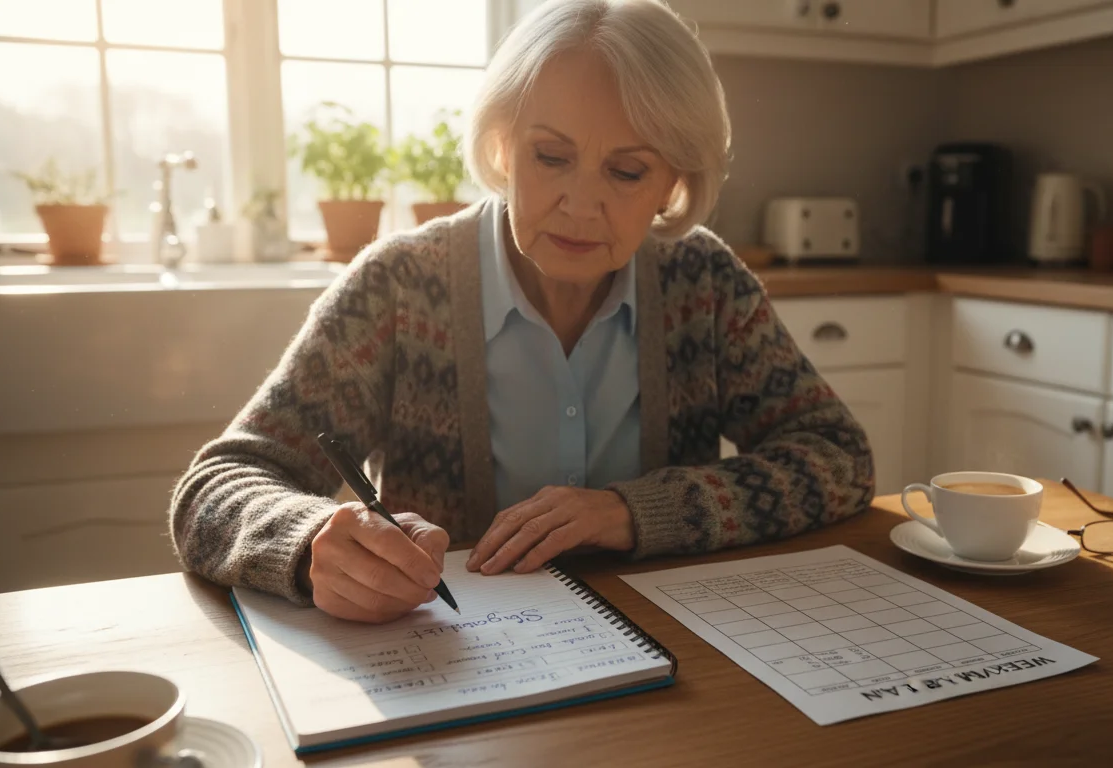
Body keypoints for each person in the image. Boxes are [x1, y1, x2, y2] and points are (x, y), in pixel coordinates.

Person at [168, 0, 875, 624]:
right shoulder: (398, 286)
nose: (579, 202)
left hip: (674, 673)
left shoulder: (706, 285)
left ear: (675, 181)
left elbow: (839, 458)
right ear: (503, 145)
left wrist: (634, 512)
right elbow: (216, 487)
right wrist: (309, 543)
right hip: (453, 675)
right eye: (550, 156)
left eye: (626, 172)